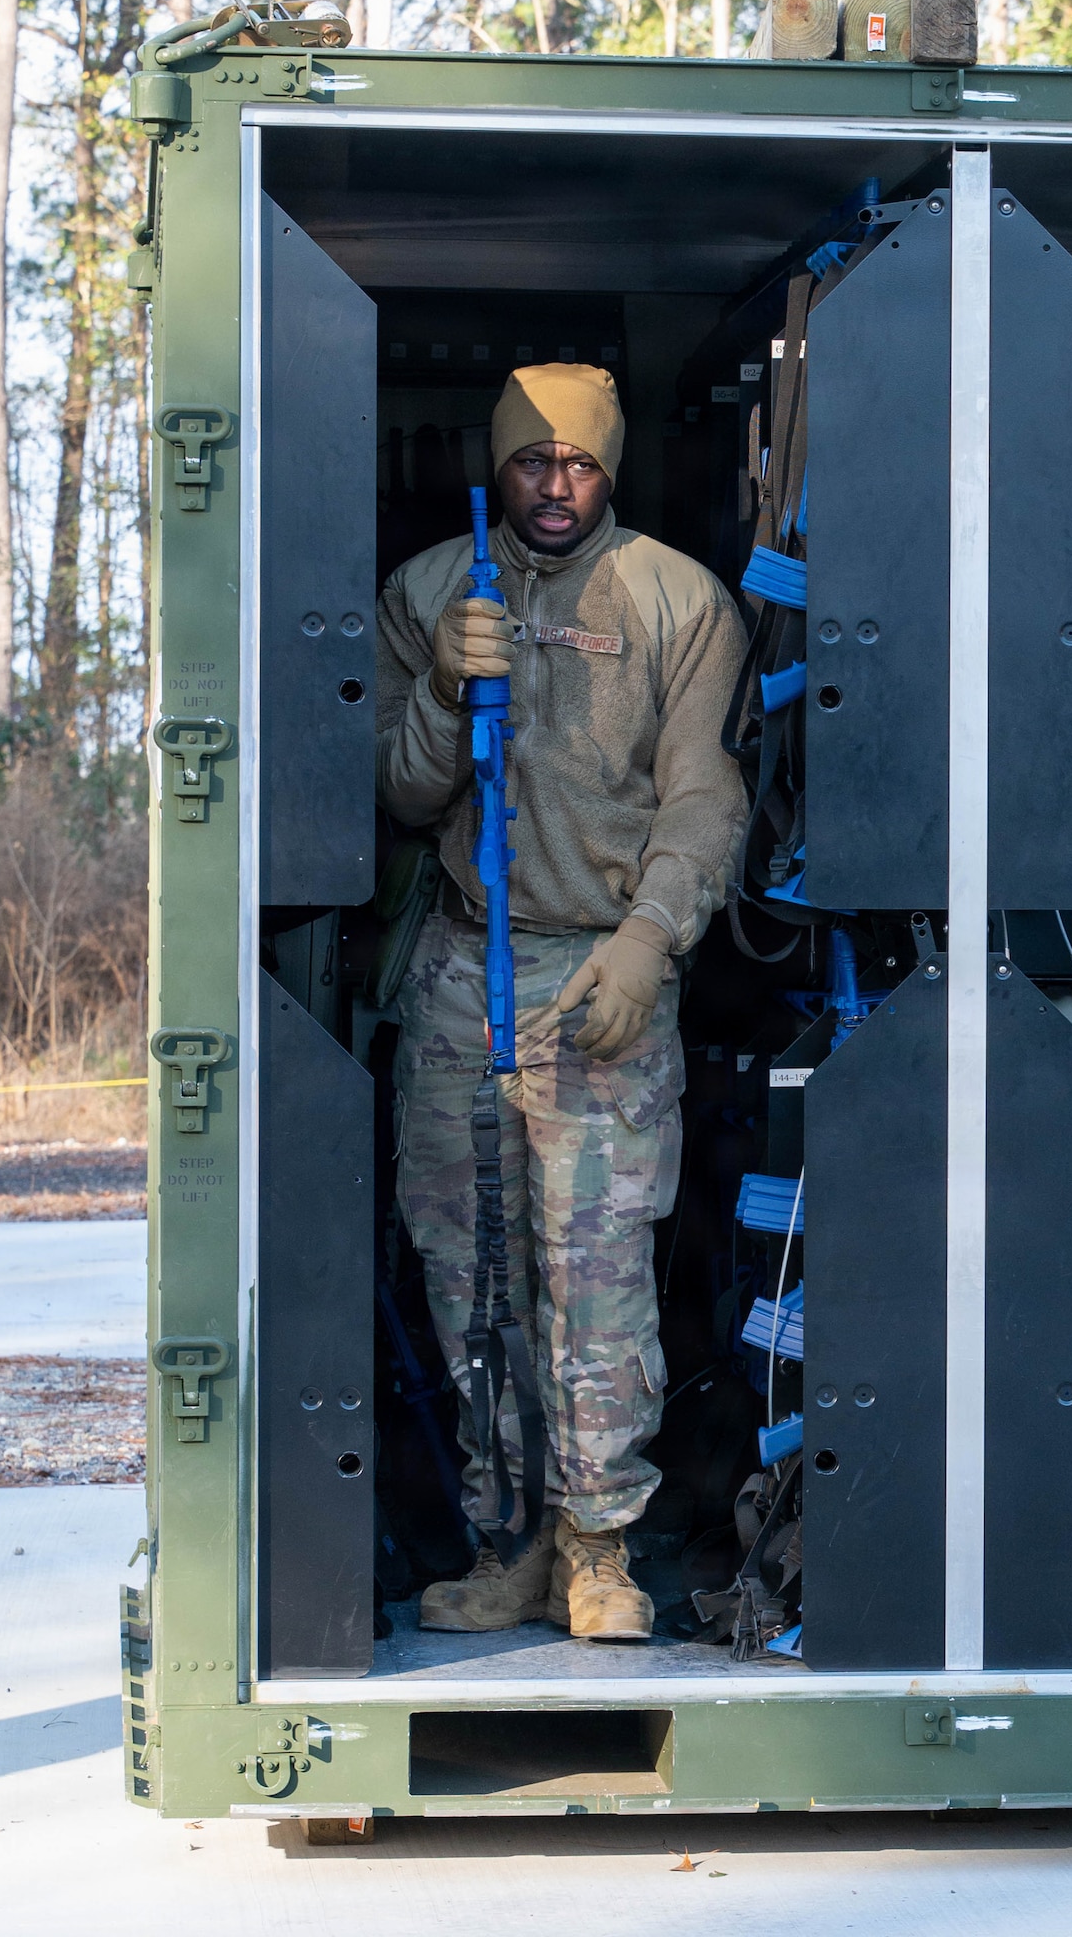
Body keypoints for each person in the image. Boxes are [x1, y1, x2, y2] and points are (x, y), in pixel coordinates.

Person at [376, 362, 747, 1639]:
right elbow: (398, 794)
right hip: (457, 970)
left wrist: (650, 940)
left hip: (599, 972)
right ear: (497, 466)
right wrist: (437, 688)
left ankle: (599, 1548)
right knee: (468, 1273)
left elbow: (703, 793)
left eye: (579, 463)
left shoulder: (676, 598)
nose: (554, 486)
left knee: (594, 1279)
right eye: (531, 462)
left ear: (612, 468)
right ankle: (510, 1542)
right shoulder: (429, 588)